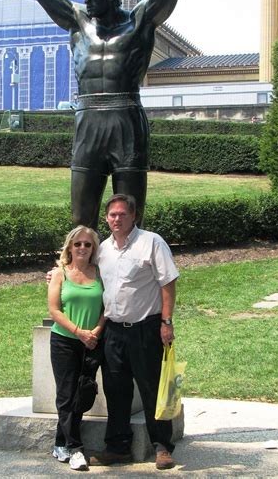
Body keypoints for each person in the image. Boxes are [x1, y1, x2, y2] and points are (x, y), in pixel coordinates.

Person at [0, 0, 193, 229]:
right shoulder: (77, 22)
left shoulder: (140, 21)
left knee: (130, 220)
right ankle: (82, 280)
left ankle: (131, 279)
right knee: (80, 221)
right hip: (87, 122)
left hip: (126, 120)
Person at [89, 193, 180, 470]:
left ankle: (162, 447)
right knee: (116, 390)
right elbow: (81, 271)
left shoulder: (151, 242)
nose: (116, 219)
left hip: (146, 329)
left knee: (152, 388)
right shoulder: (103, 248)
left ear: (134, 216)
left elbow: (168, 282)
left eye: (122, 214)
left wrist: (166, 322)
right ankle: (118, 447)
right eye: (112, 215)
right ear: (106, 218)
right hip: (114, 332)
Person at [47, 225, 105, 471]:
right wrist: (78, 332)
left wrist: (95, 332)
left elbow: (107, 308)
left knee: (83, 392)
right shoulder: (60, 273)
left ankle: (60, 442)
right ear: (70, 247)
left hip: (92, 341)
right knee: (66, 394)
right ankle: (75, 448)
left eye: (88, 244)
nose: (82, 248)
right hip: (65, 341)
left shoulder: (100, 273)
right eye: (78, 243)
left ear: (94, 249)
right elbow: (54, 310)